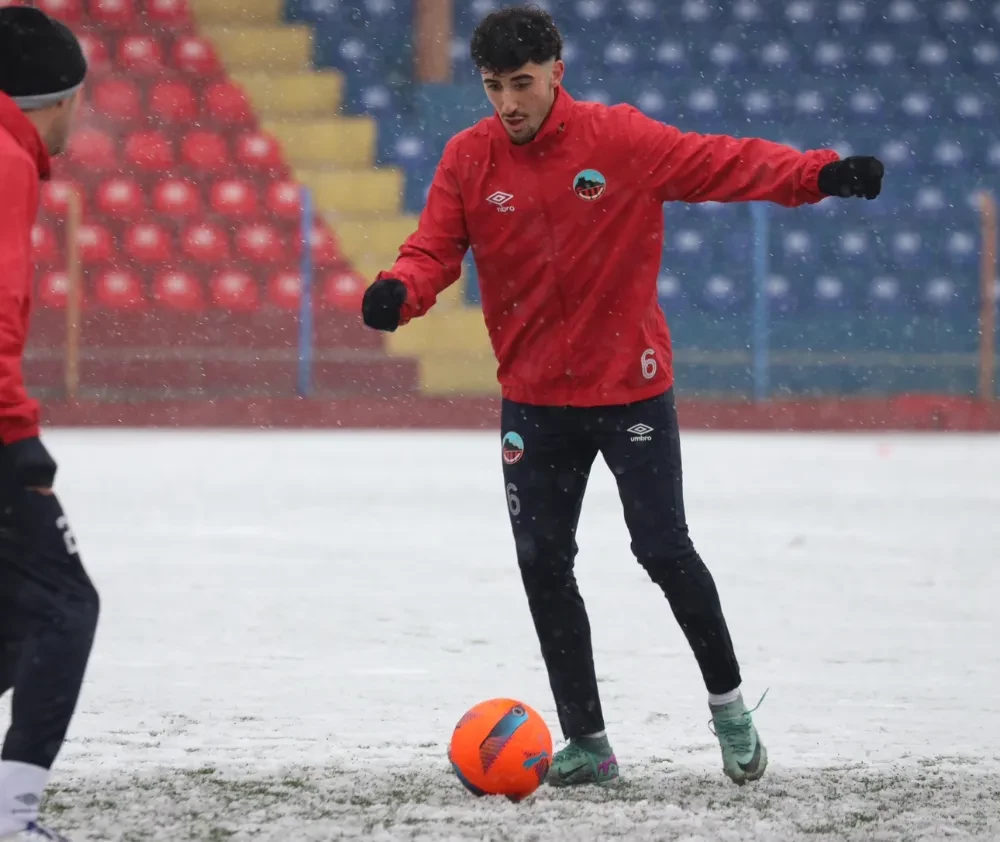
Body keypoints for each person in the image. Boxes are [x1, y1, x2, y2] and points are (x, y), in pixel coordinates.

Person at [362, 5, 882, 788]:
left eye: (524, 83)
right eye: (495, 86)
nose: (509, 102)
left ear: (557, 72)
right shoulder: (469, 159)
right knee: (542, 562)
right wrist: (400, 289)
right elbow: (433, 247)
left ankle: (730, 709)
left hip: (630, 391)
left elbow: (724, 162)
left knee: (663, 550)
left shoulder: (620, 141)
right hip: (534, 401)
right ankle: (589, 743)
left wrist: (819, 173)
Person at [0, 7, 100, 839]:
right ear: (58, 99)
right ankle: (13, 816)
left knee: (13, 622)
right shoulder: (6, 161)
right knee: (64, 608)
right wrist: (17, 434)